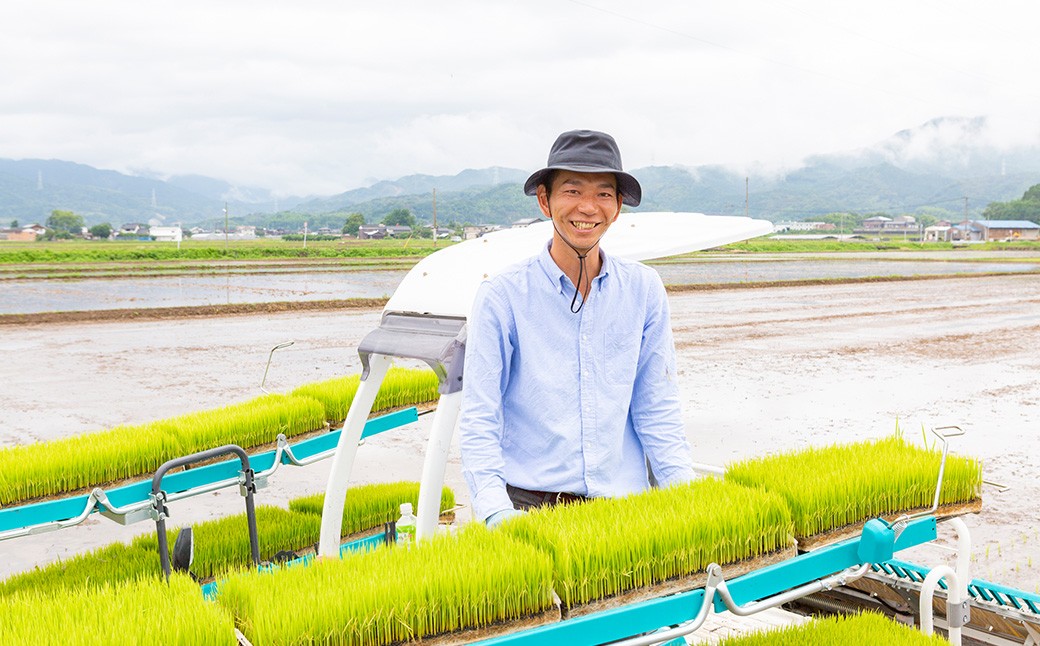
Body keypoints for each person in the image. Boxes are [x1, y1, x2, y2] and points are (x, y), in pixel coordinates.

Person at [458, 129, 696, 528]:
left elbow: (656, 407)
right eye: (572, 190)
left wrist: (691, 499)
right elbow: (481, 414)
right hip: (529, 510)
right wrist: (496, 512)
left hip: (625, 511)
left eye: (604, 193)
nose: (588, 207)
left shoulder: (643, 289)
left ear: (618, 206)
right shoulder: (503, 295)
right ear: (545, 200)